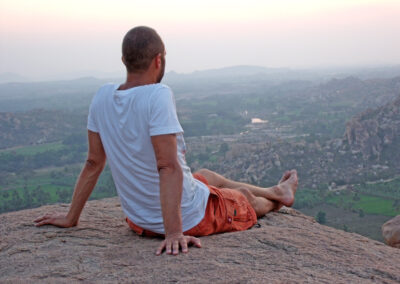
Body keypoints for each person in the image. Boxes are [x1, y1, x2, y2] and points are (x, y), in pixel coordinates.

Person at [34, 26, 298, 256]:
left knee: (204, 175)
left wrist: (72, 217)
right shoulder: (157, 94)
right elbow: (167, 166)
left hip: (138, 220)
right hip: (189, 219)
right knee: (242, 198)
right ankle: (274, 201)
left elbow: (93, 162)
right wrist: (174, 232)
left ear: (124, 60)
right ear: (158, 60)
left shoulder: (102, 96)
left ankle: (276, 191)